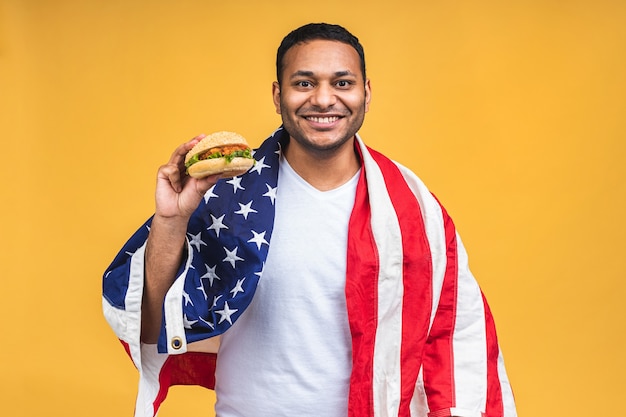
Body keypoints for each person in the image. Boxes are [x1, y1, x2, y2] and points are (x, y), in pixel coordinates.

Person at [103, 23, 517, 417]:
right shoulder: (226, 197)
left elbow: (456, 336)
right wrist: (172, 219)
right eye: (304, 83)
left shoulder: (414, 211)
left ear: (366, 93)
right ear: (277, 93)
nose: (323, 99)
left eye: (342, 82)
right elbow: (152, 322)